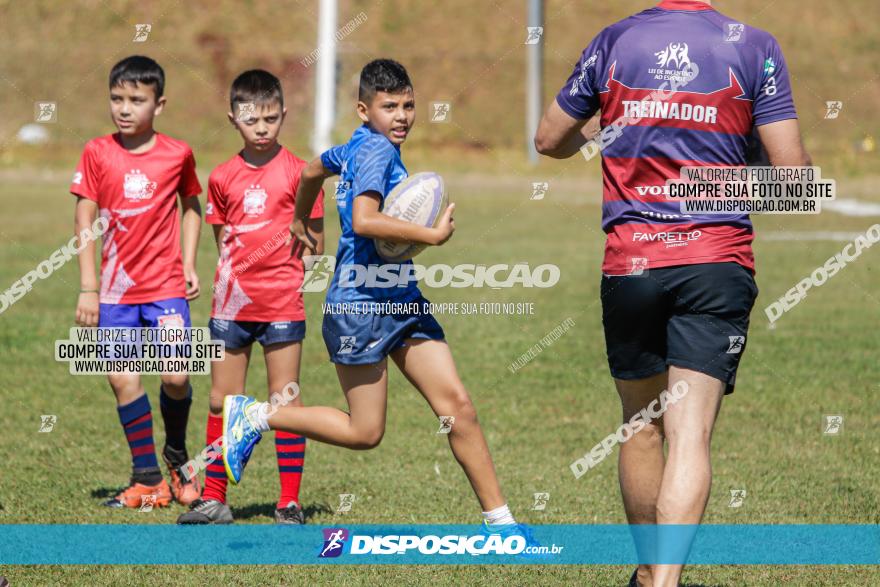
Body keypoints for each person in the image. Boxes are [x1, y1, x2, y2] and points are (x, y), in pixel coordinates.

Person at [534, 1, 811, 585]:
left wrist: (611, 127)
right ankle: (665, 581)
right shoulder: (753, 44)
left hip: (632, 262)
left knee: (640, 423)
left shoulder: (614, 40)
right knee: (691, 435)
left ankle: (645, 574)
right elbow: (794, 183)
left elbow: (549, 139)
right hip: (716, 263)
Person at [223, 59, 530, 535]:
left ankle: (503, 526)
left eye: (408, 105)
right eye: (389, 107)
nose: (402, 116)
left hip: (399, 299)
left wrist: (299, 220)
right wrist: (429, 235)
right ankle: (257, 415)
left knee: (458, 406)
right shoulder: (377, 153)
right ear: (365, 109)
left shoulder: (355, 145)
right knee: (365, 432)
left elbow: (307, 172)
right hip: (359, 306)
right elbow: (365, 220)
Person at [176, 70, 325, 525]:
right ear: (232, 120)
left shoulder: (302, 172)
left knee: (285, 403)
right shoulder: (221, 176)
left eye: (271, 118)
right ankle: (215, 498)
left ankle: (289, 503)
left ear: (284, 115)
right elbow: (224, 241)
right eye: (251, 120)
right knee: (222, 401)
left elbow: (316, 241)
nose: (262, 128)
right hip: (231, 307)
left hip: (282, 303)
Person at [71, 55, 204, 508]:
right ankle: (147, 478)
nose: (124, 108)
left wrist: (188, 263)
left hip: (166, 287)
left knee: (176, 375)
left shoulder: (178, 153)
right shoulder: (97, 151)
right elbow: (84, 214)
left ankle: (177, 454)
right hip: (115, 292)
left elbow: (192, 206)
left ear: (159, 104)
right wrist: (89, 286)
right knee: (123, 379)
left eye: (136, 100)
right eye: (116, 98)